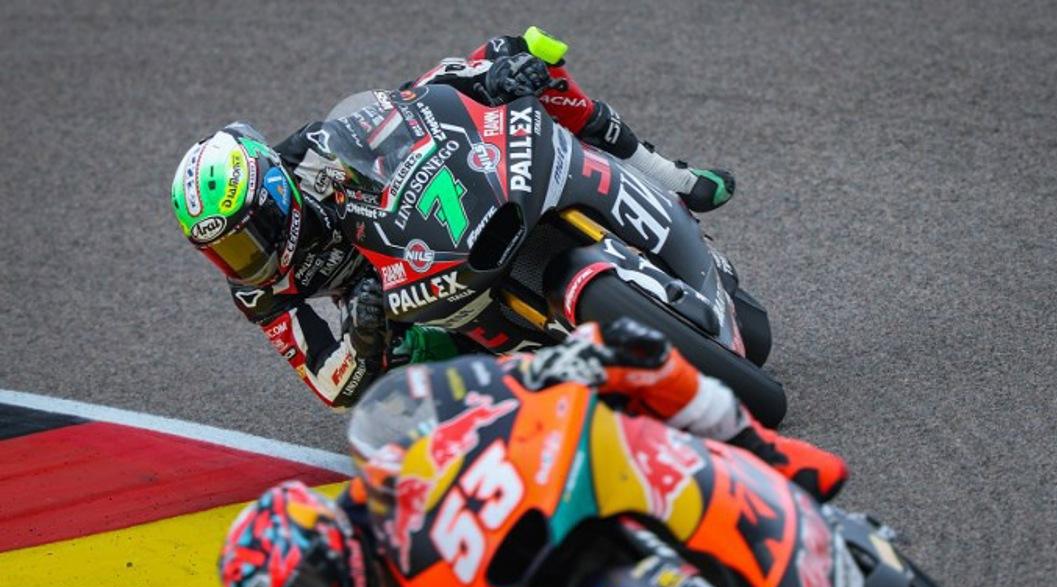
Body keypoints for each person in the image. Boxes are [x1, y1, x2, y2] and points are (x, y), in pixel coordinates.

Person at [219, 319, 846, 587]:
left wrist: (541, 372)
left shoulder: (375, 487)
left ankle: (762, 450)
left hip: (517, 516)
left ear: (332, 542)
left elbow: (454, 403)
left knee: (619, 348)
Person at [171, 26, 736, 410]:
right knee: (401, 390)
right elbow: (326, 382)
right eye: (224, 252)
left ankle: (662, 174)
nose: (244, 260)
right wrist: (362, 342)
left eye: (248, 240)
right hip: (392, 299)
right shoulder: (256, 290)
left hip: (423, 223)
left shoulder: (314, 150)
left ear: (275, 194)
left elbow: (406, 105)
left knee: (522, 52)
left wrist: (482, 81)